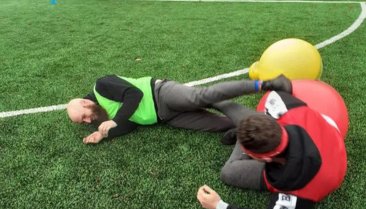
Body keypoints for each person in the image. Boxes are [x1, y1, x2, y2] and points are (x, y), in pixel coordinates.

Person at [197, 80, 347, 209]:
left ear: (266, 159)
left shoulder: (293, 195)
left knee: (228, 173)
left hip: (319, 176)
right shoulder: (286, 106)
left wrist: (218, 206)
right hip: (330, 139)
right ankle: (202, 98)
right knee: (250, 123)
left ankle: (233, 125)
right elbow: (284, 84)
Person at [66, 74, 290, 144]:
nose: (87, 121)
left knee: (204, 96)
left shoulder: (102, 85)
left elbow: (135, 95)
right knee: (217, 125)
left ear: (85, 103)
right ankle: (255, 124)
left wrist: (113, 122)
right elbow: (130, 124)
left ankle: (265, 84)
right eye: (82, 123)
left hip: (162, 94)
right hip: (166, 117)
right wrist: (105, 133)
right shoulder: (98, 115)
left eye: (84, 117)